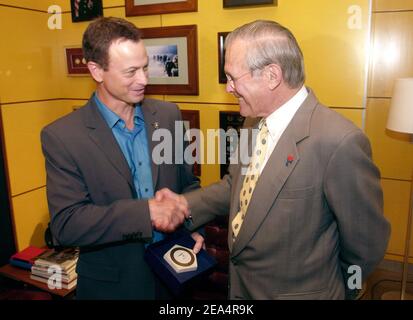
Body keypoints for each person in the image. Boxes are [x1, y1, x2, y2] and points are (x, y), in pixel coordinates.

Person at [156, 20, 391, 299]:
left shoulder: (339, 142)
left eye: (232, 77)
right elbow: (238, 187)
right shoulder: (252, 122)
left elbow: (365, 244)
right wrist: (184, 204)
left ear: (271, 76)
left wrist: (342, 291)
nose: (228, 88)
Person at [41, 17, 202, 300]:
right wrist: (147, 212)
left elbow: (188, 184)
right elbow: (67, 224)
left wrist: (193, 224)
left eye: (144, 67)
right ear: (96, 71)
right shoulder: (62, 136)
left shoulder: (168, 115)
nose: (143, 79)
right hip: (112, 288)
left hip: (174, 278)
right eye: (130, 72)